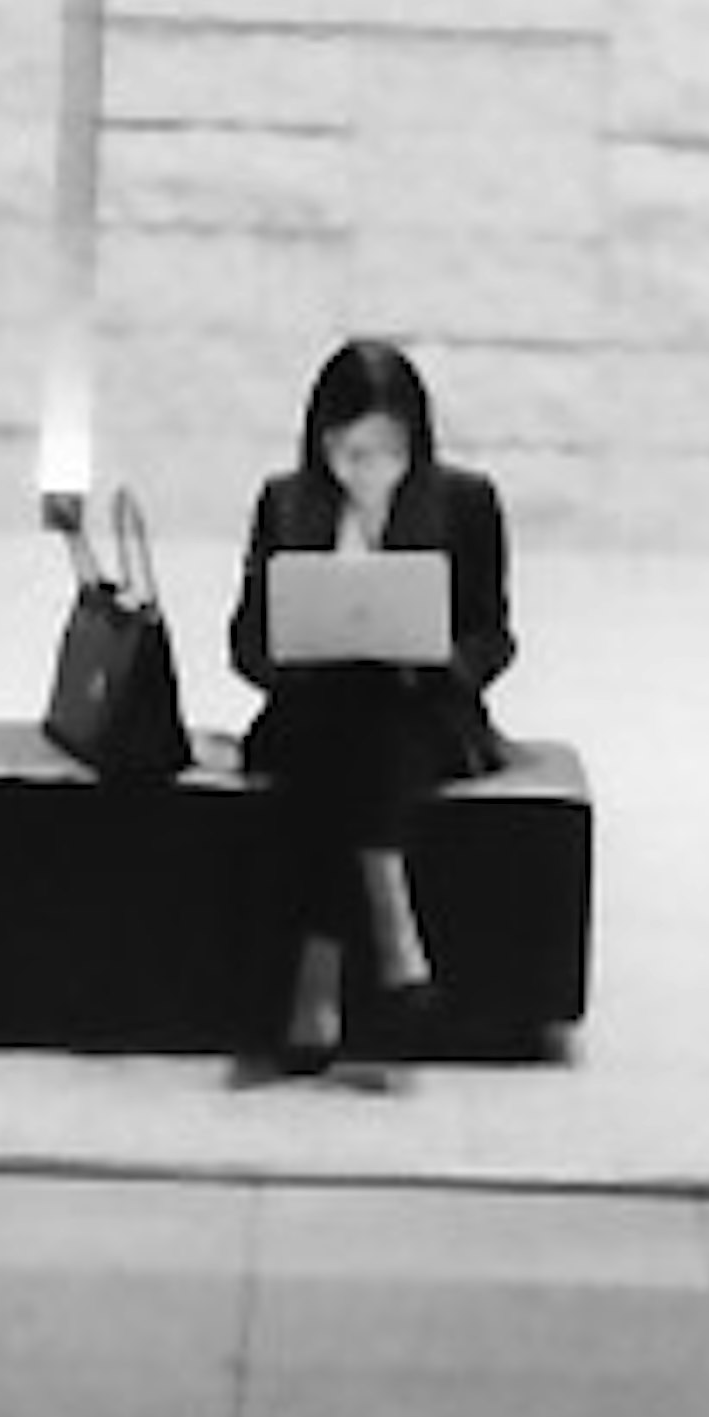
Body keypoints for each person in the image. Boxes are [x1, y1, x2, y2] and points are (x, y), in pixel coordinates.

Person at [228, 334, 515, 1071]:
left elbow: (493, 636)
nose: (367, 471)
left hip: (425, 712)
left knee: (369, 728)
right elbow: (247, 640)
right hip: (310, 710)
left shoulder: (465, 503)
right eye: (349, 454)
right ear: (321, 443)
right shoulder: (287, 504)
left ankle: (316, 983)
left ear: (414, 443)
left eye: (385, 451)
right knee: (345, 722)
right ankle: (391, 926)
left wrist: (435, 660)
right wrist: (297, 653)